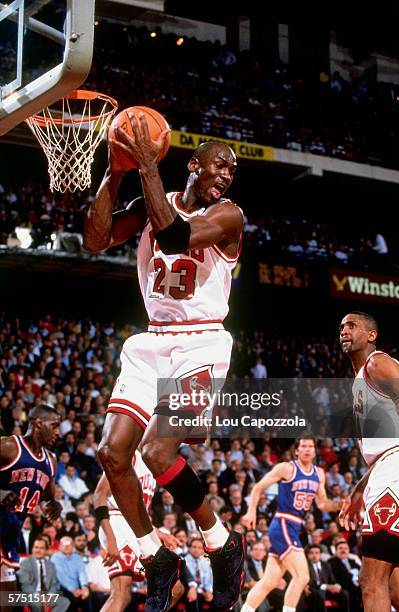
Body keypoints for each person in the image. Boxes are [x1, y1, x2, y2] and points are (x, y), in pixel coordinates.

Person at [83, 112, 244, 612]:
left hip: (202, 342)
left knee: (156, 452)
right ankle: (155, 557)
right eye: (218, 166)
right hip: (152, 340)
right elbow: (96, 238)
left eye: (232, 171)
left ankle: (221, 542)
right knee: (112, 454)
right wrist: (116, 171)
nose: (225, 176)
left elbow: (174, 237)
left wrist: (149, 165)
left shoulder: (230, 217)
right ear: (193, 165)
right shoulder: (153, 199)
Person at [338, 311, 399, 611]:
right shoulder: (358, 382)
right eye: (341, 327)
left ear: (371, 335)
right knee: (398, 589)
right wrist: (359, 489)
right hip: (386, 468)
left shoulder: (377, 363)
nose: (344, 331)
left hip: (397, 469)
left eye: (351, 326)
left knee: (370, 581)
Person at [241, 435, 341, 612]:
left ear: (314, 450)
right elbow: (259, 486)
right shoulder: (287, 468)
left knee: (269, 581)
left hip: (294, 527)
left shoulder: (319, 474)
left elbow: (323, 504)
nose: (307, 449)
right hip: (282, 524)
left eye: (311, 446)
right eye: (303, 446)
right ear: (297, 451)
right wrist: (251, 511)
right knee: (302, 577)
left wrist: (340, 504)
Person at [94, 449, 183, 612]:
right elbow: (99, 495)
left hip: (137, 528)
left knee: (175, 589)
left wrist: (158, 532)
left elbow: (138, 511)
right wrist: (111, 539)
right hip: (118, 523)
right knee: (121, 594)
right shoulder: (128, 454)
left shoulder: (150, 462)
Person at [0, 405, 61, 595]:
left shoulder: (50, 461)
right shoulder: (9, 446)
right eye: (55, 426)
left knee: (8, 598)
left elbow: (47, 498)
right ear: (39, 423)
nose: (58, 433)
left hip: (10, 533)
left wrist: (54, 505)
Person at [17, 537, 70, 612]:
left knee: (64, 602)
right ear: (32, 549)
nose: (38, 550)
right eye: (36, 547)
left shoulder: (50, 565)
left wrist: (49, 596)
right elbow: (25, 584)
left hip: (47, 595)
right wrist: (38, 597)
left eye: (41, 548)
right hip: (32, 595)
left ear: (46, 550)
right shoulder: (26, 563)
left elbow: (53, 584)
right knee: (38, 604)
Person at [305, 543, 349, 612]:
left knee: (344, 593)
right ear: (307, 555)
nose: (314, 555)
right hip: (314, 590)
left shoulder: (326, 565)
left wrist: (336, 586)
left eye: (317, 553)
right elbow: (310, 583)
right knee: (319, 593)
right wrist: (326, 586)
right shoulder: (306, 566)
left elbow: (332, 580)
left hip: (327, 591)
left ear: (320, 555)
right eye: (311, 553)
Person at [51, 536, 90, 612]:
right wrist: (73, 589)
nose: (66, 546)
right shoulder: (55, 558)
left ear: (73, 546)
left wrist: (84, 587)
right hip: (61, 588)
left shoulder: (77, 558)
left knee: (88, 596)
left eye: (69, 544)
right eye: (64, 544)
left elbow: (82, 573)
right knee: (72, 599)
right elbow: (61, 577)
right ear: (60, 546)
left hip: (77, 588)